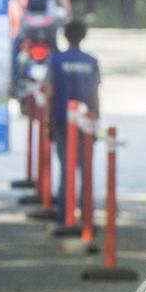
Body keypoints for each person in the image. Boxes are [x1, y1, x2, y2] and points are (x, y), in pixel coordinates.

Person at [48, 19, 100, 213]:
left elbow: (50, 93)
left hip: (62, 121)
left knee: (66, 169)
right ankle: (87, 212)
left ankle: (65, 212)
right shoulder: (91, 61)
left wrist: (48, 122)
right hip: (86, 123)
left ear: (65, 36)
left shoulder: (55, 60)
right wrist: (96, 122)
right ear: (83, 36)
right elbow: (95, 93)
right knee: (86, 170)